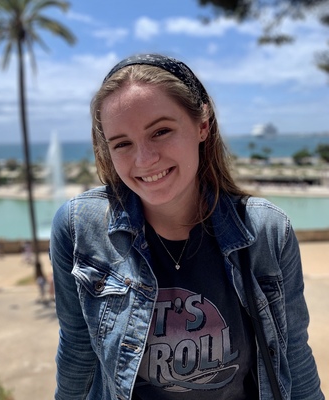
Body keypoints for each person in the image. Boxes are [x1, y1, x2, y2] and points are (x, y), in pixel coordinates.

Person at [49, 54, 324, 399]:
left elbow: (293, 355)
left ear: (202, 125)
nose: (145, 159)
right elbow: (77, 352)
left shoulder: (267, 232)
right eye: (122, 143)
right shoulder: (78, 228)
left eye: (161, 131)